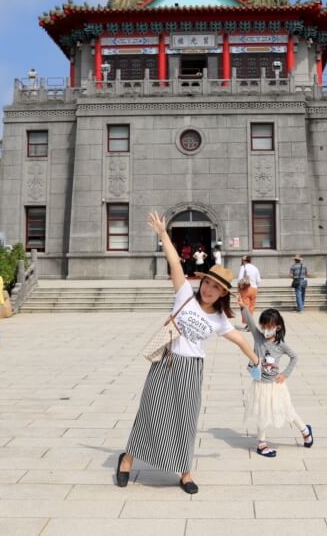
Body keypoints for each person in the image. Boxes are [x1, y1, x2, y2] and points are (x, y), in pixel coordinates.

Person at [116, 212, 260, 495]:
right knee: (150, 411)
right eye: (207, 283)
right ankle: (128, 459)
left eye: (216, 288)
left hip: (191, 370)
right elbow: (173, 261)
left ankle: (185, 471)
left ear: (222, 294)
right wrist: (162, 233)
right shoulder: (184, 295)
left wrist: (258, 362)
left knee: (186, 419)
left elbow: (240, 341)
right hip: (167, 364)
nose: (208, 289)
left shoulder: (219, 320)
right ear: (202, 282)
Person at [243, 307, 313, 457]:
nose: (266, 330)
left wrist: (285, 374)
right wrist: (243, 306)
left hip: (276, 384)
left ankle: (305, 431)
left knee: (286, 409)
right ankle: (261, 444)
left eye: (269, 327)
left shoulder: (281, 345)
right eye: (263, 326)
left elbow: (294, 357)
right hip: (260, 384)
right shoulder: (258, 338)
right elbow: (250, 321)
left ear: (277, 327)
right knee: (263, 412)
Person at [236, 255, 261, 328]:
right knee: (251, 306)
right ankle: (249, 323)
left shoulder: (243, 267)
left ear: (244, 260)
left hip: (246, 289)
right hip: (254, 289)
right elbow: (258, 280)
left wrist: (238, 289)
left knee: (244, 306)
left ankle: (248, 324)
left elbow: (240, 279)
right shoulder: (255, 268)